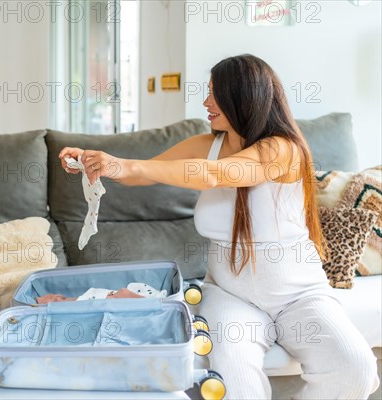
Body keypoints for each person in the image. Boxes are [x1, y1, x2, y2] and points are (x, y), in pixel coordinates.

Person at [59, 54, 379, 399]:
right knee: (236, 386)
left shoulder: (282, 149)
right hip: (230, 295)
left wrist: (121, 164)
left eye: (215, 93)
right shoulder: (208, 145)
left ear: (244, 97)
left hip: (298, 296)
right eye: (207, 92)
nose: (206, 102)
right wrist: (97, 161)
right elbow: (141, 171)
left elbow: (216, 174)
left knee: (355, 371)